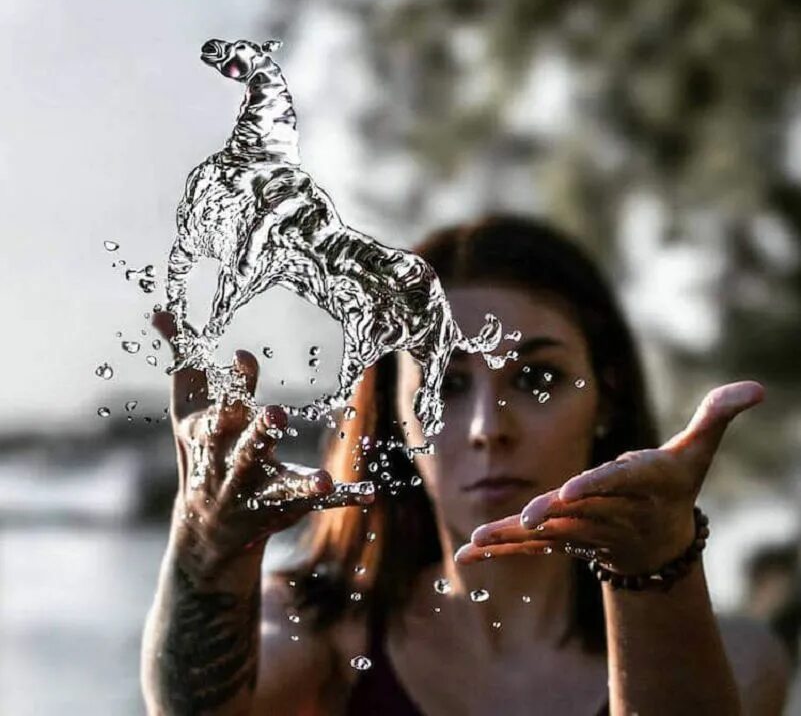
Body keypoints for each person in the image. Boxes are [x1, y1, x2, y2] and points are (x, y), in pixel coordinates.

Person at [142, 215, 789, 715]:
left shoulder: (735, 656)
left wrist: (653, 569)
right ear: (397, 417)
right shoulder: (318, 626)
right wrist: (205, 545)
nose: (488, 428)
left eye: (536, 377)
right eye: (446, 387)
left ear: (605, 395)